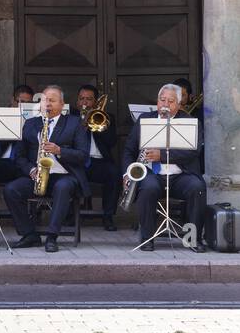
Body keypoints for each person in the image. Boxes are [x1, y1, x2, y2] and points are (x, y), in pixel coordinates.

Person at [2, 85, 90, 253]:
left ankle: (52, 236)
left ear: (62, 104)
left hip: (64, 174)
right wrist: (30, 170)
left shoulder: (74, 123)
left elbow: (83, 155)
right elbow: (19, 156)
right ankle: (29, 234)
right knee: (11, 190)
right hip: (36, 175)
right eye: (44, 100)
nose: (47, 103)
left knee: (63, 187)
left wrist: (60, 150)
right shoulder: (30, 124)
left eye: (52, 100)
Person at [121, 83, 207, 252]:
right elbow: (128, 150)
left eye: (171, 101)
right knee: (148, 187)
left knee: (197, 187)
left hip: (181, 175)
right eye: (162, 100)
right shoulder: (144, 119)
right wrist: (126, 173)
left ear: (179, 104)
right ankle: (147, 238)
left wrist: (163, 156)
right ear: (157, 101)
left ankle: (193, 238)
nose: (165, 104)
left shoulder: (191, 122)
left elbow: (194, 152)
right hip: (152, 174)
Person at [76, 84, 119, 231]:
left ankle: (108, 216)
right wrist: (82, 125)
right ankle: (69, 215)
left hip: (99, 162)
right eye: (81, 99)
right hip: (78, 162)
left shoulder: (106, 118)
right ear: (77, 101)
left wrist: (96, 126)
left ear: (95, 102)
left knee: (114, 174)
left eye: (89, 99)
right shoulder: (71, 118)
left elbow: (111, 142)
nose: (84, 102)